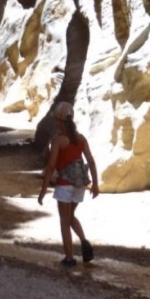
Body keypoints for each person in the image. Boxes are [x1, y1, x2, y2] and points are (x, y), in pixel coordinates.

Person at [38, 101, 99, 267]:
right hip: (79, 185)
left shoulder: (58, 141)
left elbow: (51, 166)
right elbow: (91, 162)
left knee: (64, 221)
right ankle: (84, 242)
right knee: (70, 217)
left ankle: (70, 258)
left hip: (64, 185)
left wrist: (43, 190)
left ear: (59, 121)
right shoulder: (81, 139)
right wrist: (95, 184)